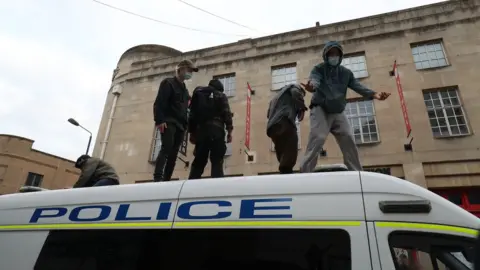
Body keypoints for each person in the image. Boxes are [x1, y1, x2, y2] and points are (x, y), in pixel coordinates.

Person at [300, 41, 391, 172]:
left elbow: (357, 86)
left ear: (340, 56)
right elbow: (315, 81)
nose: (334, 57)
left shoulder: (346, 73)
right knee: (318, 137)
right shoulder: (319, 69)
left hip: (338, 112)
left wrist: (375, 94)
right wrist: (311, 87)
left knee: (348, 137)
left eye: (336, 54)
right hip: (321, 109)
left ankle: (356, 171)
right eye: (331, 54)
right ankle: (305, 171)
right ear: (326, 56)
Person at [153, 59, 198, 182]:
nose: (190, 73)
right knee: (166, 148)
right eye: (188, 70)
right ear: (180, 69)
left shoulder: (185, 90)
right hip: (169, 121)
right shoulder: (168, 83)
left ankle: (166, 179)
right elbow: (159, 102)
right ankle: (158, 177)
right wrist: (160, 120)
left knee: (174, 154)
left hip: (181, 125)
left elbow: (188, 106)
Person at [187, 79, 233, 179]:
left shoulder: (199, 94)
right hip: (217, 131)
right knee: (217, 161)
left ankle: (190, 185)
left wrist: (192, 132)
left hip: (201, 132)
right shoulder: (220, 95)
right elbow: (227, 114)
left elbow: (191, 114)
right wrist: (229, 131)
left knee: (199, 161)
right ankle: (217, 187)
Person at [267, 83, 307, 174]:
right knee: (291, 143)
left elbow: (268, 114)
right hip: (284, 120)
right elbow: (296, 92)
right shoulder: (293, 88)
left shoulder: (275, 98)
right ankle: (286, 171)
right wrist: (302, 108)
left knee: (281, 148)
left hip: (272, 127)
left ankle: (284, 169)